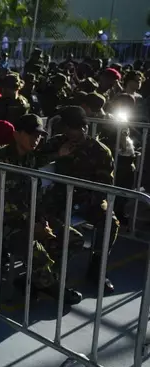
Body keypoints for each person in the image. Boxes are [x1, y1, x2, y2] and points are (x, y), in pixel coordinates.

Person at [0, 114, 84, 305]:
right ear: (17, 134)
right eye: (32, 134)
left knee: (74, 239)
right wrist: (31, 223)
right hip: (2, 219)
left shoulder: (30, 157)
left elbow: (42, 159)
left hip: (30, 213)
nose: (36, 139)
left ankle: (37, 280)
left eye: (39, 136)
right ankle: (51, 286)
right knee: (36, 251)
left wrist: (39, 219)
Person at [37, 106, 118, 294]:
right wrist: (58, 155)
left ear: (84, 128)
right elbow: (35, 160)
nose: (68, 133)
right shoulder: (58, 143)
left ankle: (97, 269)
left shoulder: (100, 152)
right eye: (65, 128)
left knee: (110, 223)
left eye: (72, 128)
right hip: (59, 198)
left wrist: (83, 203)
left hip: (88, 199)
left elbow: (104, 187)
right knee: (52, 225)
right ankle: (47, 273)